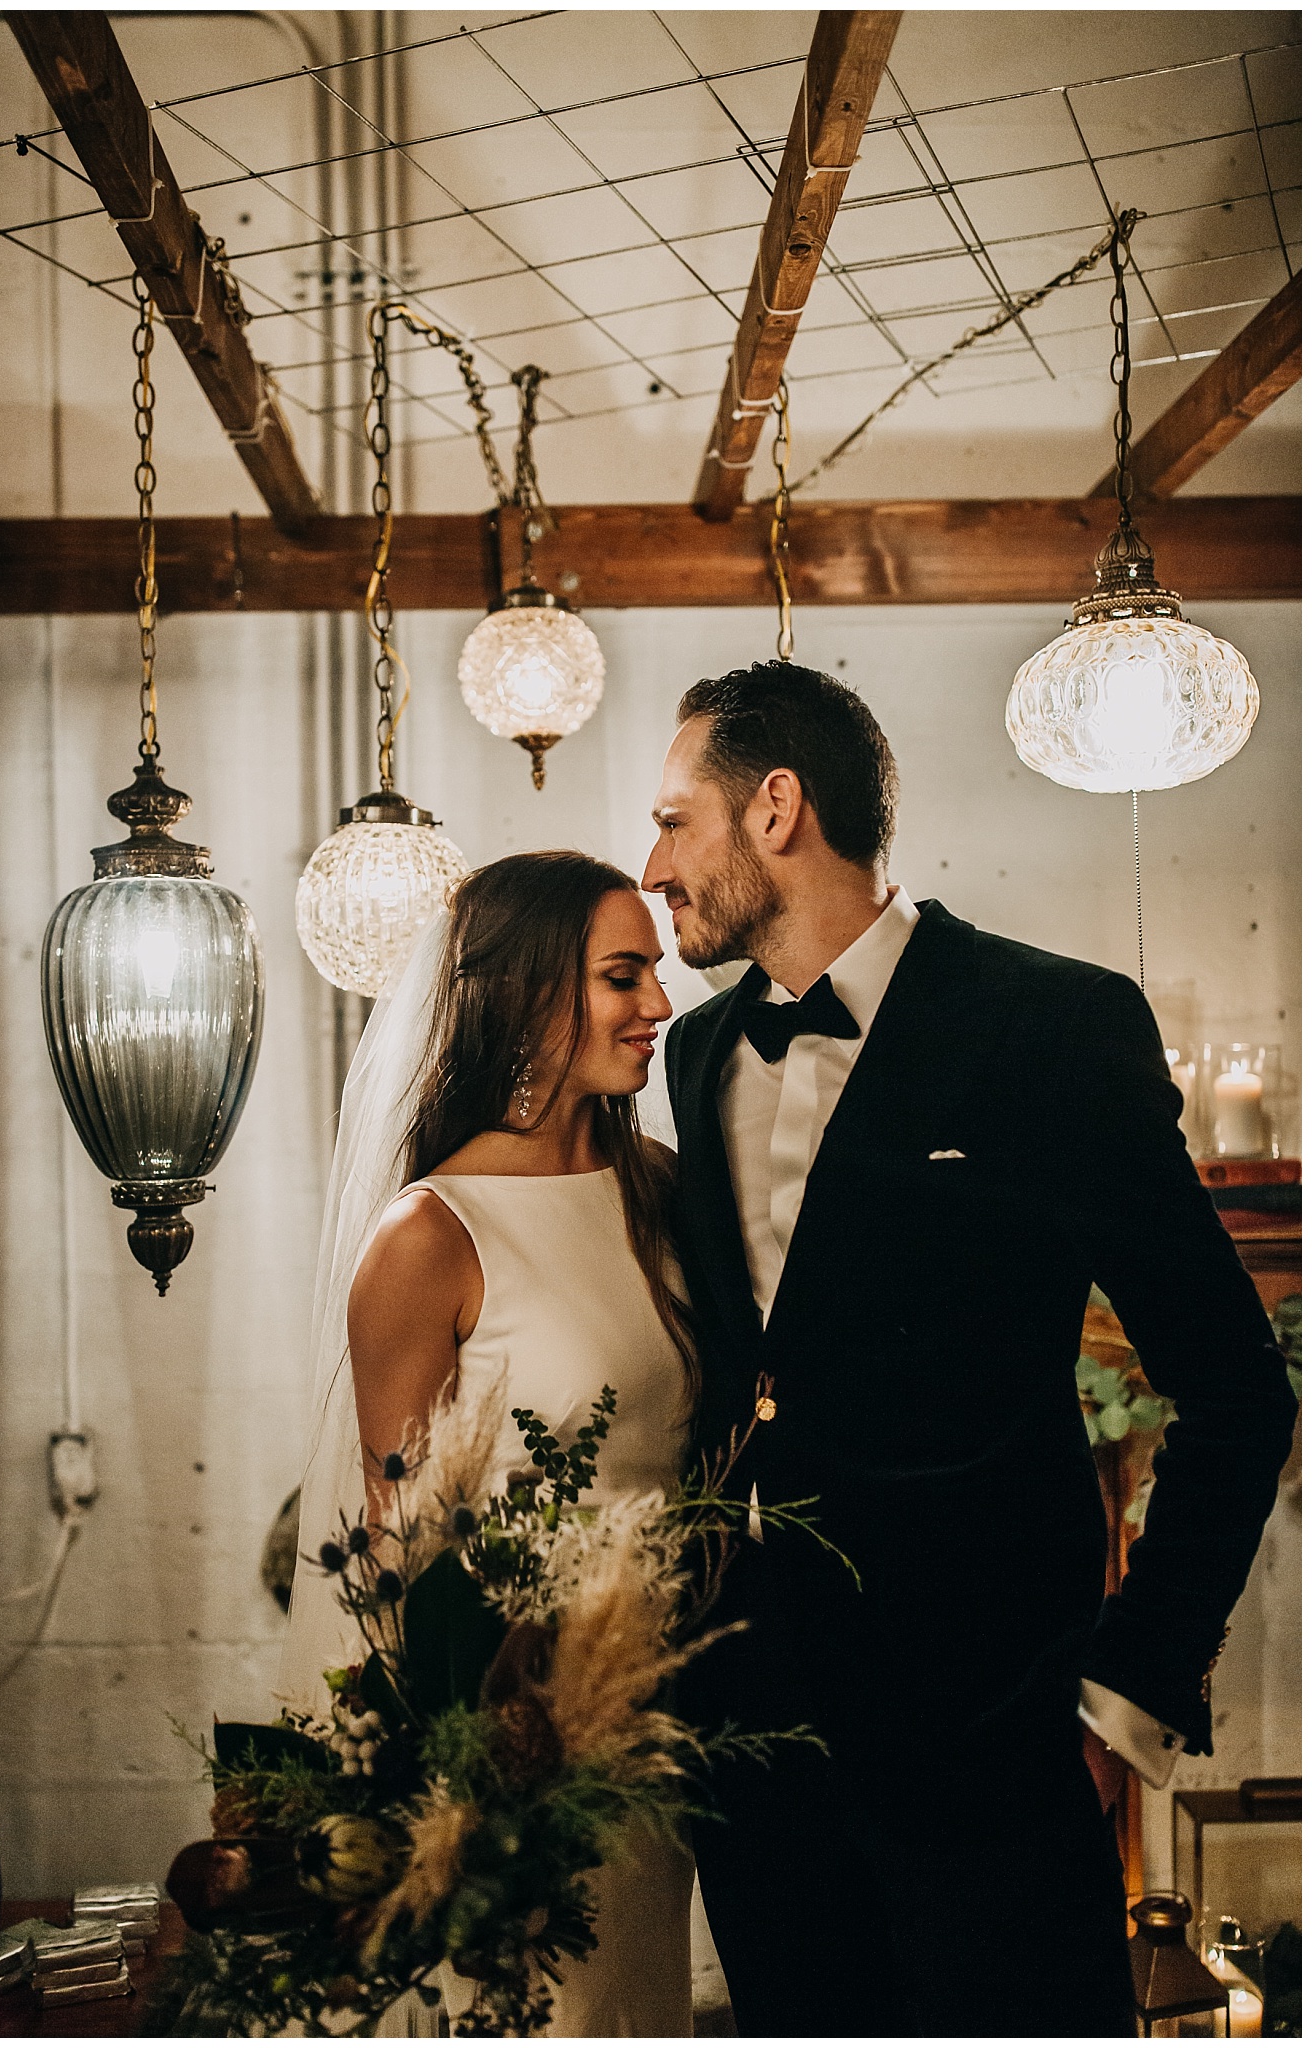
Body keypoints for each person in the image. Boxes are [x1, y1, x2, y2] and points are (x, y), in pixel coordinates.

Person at [643, 659, 1297, 2039]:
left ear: (776, 810)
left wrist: (1131, 1683)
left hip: (993, 1750)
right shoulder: (695, 1056)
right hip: (754, 1755)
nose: (654, 866)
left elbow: (1237, 1389)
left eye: (672, 821)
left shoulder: (1048, 1025)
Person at [279, 850, 695, 2039]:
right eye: (623, 976)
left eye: (654, 973)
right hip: (515, 1747)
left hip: (664, 1722)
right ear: (524, 992)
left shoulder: (658, 1187)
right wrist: (447, 1785)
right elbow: (388, 1553)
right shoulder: (430, 1234)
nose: (657, 1003)